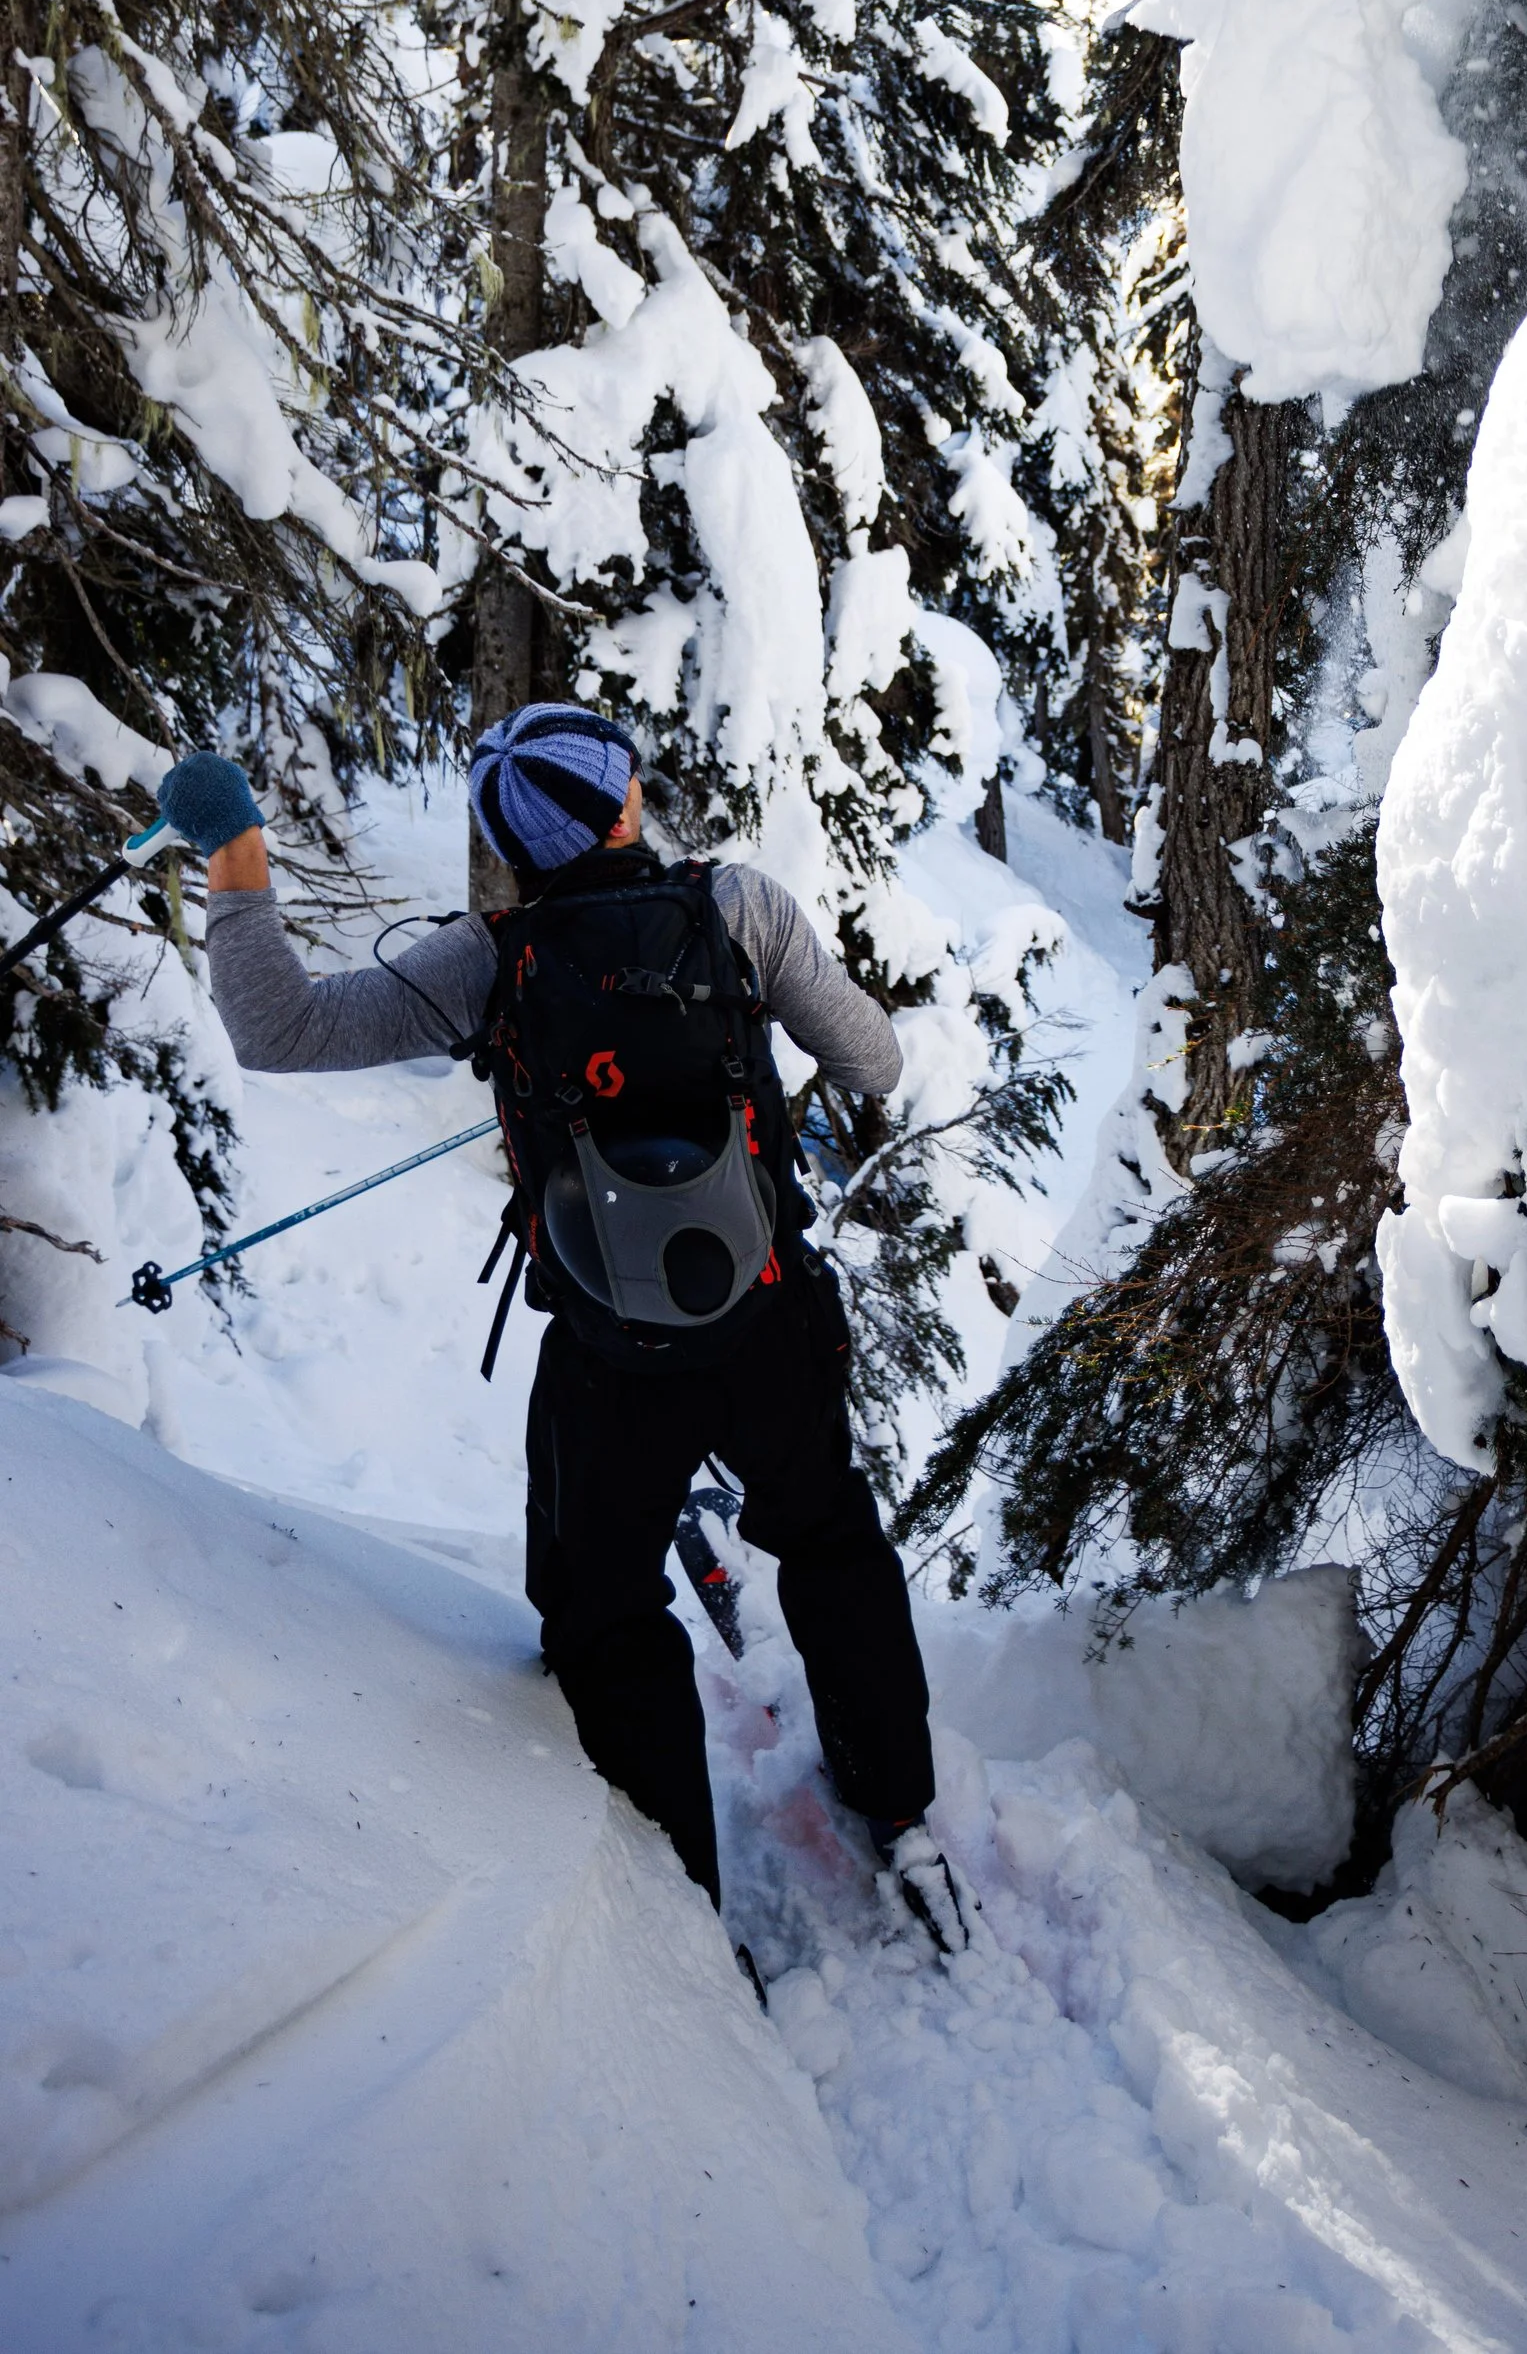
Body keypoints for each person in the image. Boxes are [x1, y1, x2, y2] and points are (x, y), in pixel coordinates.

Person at [155, 705, 966, 1952]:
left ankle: (679, 1908)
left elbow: (281, 1029)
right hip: (767, 1317)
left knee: (600, 1608)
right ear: (626, 802)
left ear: (510, 849)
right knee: (829, 1537)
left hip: (609, 1355)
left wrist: (239, 847)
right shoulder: (737, 909)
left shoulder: (489, 961)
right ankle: (898, 1808)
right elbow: (877, 1064)